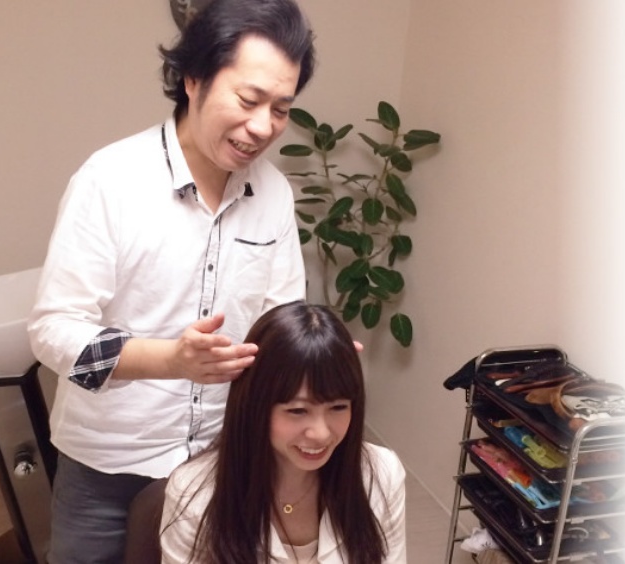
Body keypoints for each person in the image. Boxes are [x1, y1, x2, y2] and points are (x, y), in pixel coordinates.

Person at [27, 0, 316, 562]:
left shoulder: (274, 194)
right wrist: (170, 360)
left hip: (221, 458)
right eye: (249, 100)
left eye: (281, 109)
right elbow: (53, 332)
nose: (264, 126)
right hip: (107, 467)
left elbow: (281, 316)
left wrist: (312, 350)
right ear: (193, 79)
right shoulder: (110, 181)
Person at [160, 301, 407, 564]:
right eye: (298, 411)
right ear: (255, 406)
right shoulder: (194, 495)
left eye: (338, 407)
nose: (321, 433)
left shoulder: (382, 475)